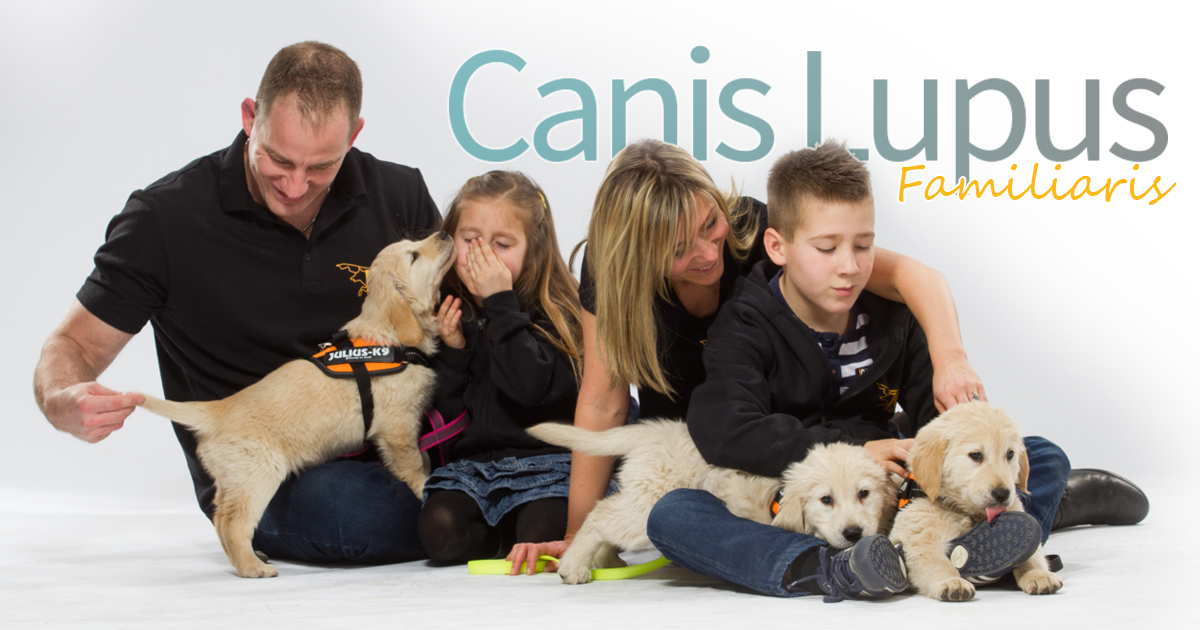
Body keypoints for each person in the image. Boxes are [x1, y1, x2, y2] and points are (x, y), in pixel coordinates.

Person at [507, 139, 1149, 575]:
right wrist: (578, 529)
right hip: (728, 455)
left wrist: (950, 361)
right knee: (674, 516)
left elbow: (909, 277)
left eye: (709, 226)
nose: (707, 253)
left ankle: (1000, 527)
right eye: (678, 248)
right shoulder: (723, 319)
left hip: (849, 469)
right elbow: (607, 400)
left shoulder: (771, 237)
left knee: (1038, 453)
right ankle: (839, 565)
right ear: (636, 255)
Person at [32, 42, 441, 566]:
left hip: (400, 432)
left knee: (490, 469)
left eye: (321, 166)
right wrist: (61, 398)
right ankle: (467, 512)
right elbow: (75, 343)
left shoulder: (399, 192)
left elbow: (456, 319)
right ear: (250, 117)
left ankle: (473, 505)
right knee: (359, 512)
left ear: (354, 136)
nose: (295, 186)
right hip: (274, 461)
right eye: (279, 159)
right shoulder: (166, 217)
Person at [648, 142, 1063, 599]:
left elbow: (936, 423)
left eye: (863, 246)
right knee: (674, 515)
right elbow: (726, 428)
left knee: (1043, 457)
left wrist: (951, 446)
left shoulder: (895, 319)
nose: (849, 267)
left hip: (886, 496)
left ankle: (967, 550)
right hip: (798, 508)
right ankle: (829, 568)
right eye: (827, 248)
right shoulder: (744, 323)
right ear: (777, 247)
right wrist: (860, 449)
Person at [418, 172, 584, 564]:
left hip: (549, 467)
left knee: (541, 530)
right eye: (470, 239)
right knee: (438, 529)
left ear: (534, 249)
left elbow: (528, 388)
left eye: (502, 244)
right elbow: (441, 420)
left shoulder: (561, 314)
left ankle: (518, 531)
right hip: (474, 472)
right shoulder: (447, 310)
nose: (483, 255)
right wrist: (454, 356)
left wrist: (500, 305)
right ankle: (496, 539)